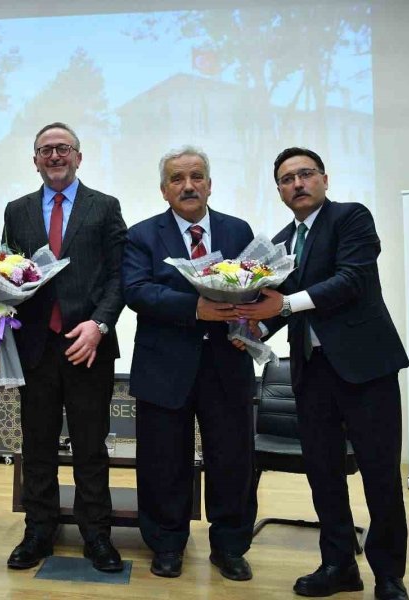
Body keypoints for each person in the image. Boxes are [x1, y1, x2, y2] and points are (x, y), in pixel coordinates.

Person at [236, 147, 409, 600]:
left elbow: (351, 280)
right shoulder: (279, 243)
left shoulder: (351, 218)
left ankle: (389, 575)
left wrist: (283, 306)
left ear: (324, 179)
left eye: (306, 174)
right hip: (311, 373)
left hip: (366, 368)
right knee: (324, 474)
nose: (297, 183)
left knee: (380, 475)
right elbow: (280, 308)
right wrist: (253, 331)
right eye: (287, 179)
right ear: (279, 191)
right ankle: (338, 566)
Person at [0, 122, 127, 572]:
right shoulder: (18, 210)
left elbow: (119, 276)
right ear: (35, 161)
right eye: (45, 150)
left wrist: (99, 325)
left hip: (89, 346)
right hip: (35, 348)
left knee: (90, 447)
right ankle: (38, 532)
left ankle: (96, 535)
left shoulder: (105, 207)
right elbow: (7, 273)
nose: (54, 156)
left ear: (78, 157)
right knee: (37, 445)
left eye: (63, 148)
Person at [121, 146, 257, 580]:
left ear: (210, 185)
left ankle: (230, 547)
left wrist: (254, 321)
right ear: (164, 190)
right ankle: (166, 544)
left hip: (227, 362)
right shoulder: (142, 235)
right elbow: (136, 291)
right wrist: (196, 308)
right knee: (163, 463)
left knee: (231, 461)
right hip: (163, 367)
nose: (188, 186)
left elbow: (256, 285)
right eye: (177, 179)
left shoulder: (238, 230)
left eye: (196, 176)